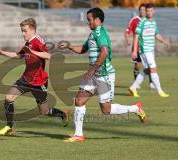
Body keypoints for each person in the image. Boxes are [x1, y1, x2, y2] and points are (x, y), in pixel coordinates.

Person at [58, 8, 146, 142]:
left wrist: (92, 69)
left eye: (89, 20)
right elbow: (83, 49)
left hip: (104, 75)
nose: (88, 23)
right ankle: (78, 135)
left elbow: (104, 52)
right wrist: (69, 46)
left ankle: (136, 108)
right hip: (94, 75)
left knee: (106, 110)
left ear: (97, 20)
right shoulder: (93, 33)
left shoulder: (101, 32)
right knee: (79, 100)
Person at [0, 18, 69, 136]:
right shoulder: (28, 43)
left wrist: (33, 52)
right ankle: (9, 127)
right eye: (22, 31)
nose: (23, 34)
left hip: (39, 82)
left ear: (32, 30)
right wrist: (1, 52)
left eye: (25, 31)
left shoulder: (38, 41)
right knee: (8, 98)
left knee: (44, 111)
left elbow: (48, 56)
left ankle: (63, 114)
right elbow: (19, 55)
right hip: (25, 79)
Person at [129, 3, 170, 98]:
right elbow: (136, 36)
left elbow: (156, 34)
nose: (149, 13)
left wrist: (164, 40)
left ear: (154, 11)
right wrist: (135, 51)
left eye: (151, 11)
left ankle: (133, 87)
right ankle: (160, 91)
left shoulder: (154, 22)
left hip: (151, 50)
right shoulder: (142, 22)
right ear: (146, 12)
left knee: (147, 70)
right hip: (145, 50)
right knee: (153, 69)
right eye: (148, 11)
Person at [125, 3, 155, 89]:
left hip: (146, 47)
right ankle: (136, 83)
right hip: (136, 47)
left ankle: (151, 82)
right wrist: (127, 39)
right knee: (137, 65)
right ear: (139, 11)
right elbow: (127, 31)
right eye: (141, 10)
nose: (142, 11)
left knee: (149, 65)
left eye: (144, 10)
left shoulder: (149, 20)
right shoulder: (134, 20)